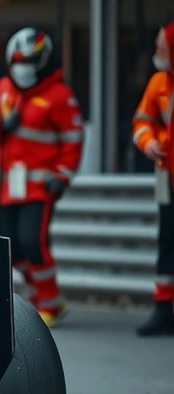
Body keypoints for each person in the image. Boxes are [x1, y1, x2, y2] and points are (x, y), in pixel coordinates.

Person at [0, 28, 82, 328]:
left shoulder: (60, 96)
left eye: (29, 60)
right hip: (4, 188)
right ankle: (39, 292)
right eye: (18, 60)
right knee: (11, 247)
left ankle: (50, 302)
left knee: (33, 242)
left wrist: (62, 176)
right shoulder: (3, 89)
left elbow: (73, 140)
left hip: (38, 187)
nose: (22, 66)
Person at [132, 22, 174, 336]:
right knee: (166, 242)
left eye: (162, 47)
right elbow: (142, 121)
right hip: (167, 175)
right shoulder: (159, 82)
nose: (157, 53)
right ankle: (163, 309)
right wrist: (149, 142)